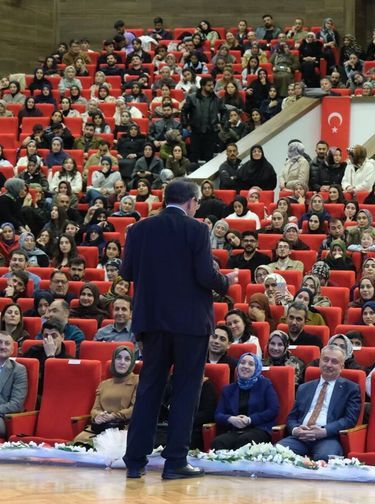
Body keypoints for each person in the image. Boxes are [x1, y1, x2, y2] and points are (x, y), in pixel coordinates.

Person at [121, 180, 237, 481]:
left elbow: (126, 272)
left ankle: (134, 462)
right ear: (191, 202)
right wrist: (227, 281)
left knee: (149, 389)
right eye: (196, 203)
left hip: (152, 321)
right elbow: (205, 275)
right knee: (186, 391)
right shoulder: (197, 229)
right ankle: (175, 462)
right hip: (190, 324)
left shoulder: (138, 229)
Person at [277, 344, 361, 460]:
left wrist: (324, 431)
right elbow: (292, 417)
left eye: (334, 362)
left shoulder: (351, 389)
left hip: (328, 438)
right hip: (300, 437)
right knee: (276, 452)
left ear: (342, 366)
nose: (328, 365)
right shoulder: (304, 388)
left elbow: (349, 419)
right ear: (320, 362)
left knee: (324, 458)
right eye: (325, 360)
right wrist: (296, 430)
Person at [211, 352, 279, 450]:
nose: (245, 366)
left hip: (258, 429)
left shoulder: (265, 385)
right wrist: (231, 419)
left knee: (245, 441)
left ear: (257, 368)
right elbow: (218, 414)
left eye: (251, 364)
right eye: (242, 363)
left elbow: (273, 410)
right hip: (235, 430)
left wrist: (250, 420)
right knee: (218, 442)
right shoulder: (228, 389)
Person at [73, 346, 139, 446]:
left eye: (127, 359)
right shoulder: (104, 384)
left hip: (122, 428)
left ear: (132, 363)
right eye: (118, 358)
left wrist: (113, 416)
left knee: (104, 446)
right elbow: (95, 409)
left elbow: (135, 409)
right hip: (101, 427)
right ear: (113, 360)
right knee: (79, 441)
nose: (122, 362)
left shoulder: (137, 380)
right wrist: (97, 416)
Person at [180, 77, 221, 163]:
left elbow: (224, 111)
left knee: (209, 156)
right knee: (194, 155)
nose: (212, 87)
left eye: (212, 85)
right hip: (196, 130)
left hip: (211, 131)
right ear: (202, 86)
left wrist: (221, 123)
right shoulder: (192, 98)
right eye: (209, 85)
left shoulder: (216, 99)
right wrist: (186, 124)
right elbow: (184, 112)